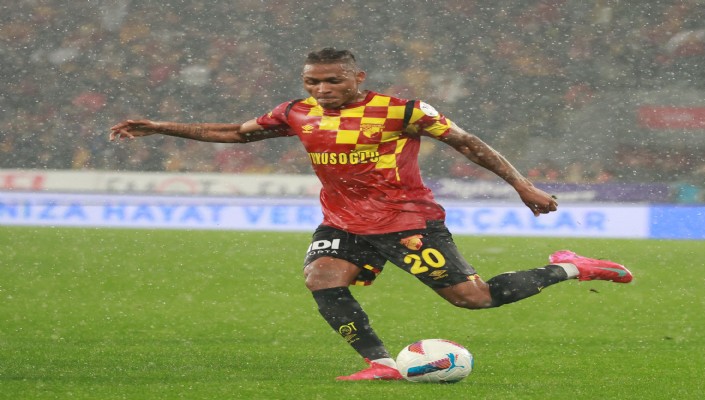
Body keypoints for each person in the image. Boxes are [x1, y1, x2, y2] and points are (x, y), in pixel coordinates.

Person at [110, 48, 633, 381]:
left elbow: (467, 143)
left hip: (407, 222)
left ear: (357, 77)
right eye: (313, 81)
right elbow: (234, 133)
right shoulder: (297, 112)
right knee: (321, 278)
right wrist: (160, 126)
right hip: (343, 220)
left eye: (332, 81)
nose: (321, 90)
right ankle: (381, 364)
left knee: (474, 299)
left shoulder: (403, 111)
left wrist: (522, 185)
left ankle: (571, 267)